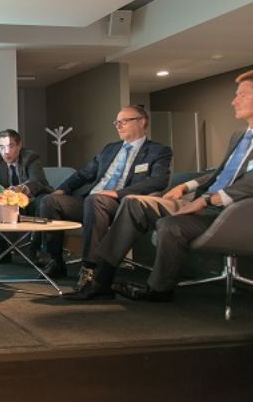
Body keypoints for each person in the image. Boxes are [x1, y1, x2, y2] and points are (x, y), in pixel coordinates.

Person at [66, 68, 253, 301]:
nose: (234, 101)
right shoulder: (239, 135)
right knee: (133, 203)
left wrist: (210, 199)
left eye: (242, 95)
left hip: (236, 212)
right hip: (205, 204)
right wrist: (186, 187)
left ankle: (158, 290)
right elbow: (220, 174)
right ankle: (100, 281)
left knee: (171, 225)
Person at [37, 105, 173, 282]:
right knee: (50, 201)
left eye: (124, 121)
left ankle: (90, 267)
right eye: (117, 122)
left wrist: (118, 193)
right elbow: (84, 174)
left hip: (122, 204)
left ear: (142, 122)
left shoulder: (158, 151)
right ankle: (55, 261)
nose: (118, 126)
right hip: (91, 201)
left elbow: (158, 181)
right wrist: (63, 189)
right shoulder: (110, 149)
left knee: (96, 200)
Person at [0, 128, 51, 263]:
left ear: (19, 145)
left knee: (43, 202)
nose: (6, 152)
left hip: (31, 200)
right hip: (8, 203)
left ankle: (34, 249)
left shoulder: (30, 157)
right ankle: (2, 248)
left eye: (10, 146)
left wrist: (21, 188)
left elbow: (37, 181)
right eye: (2, 147)